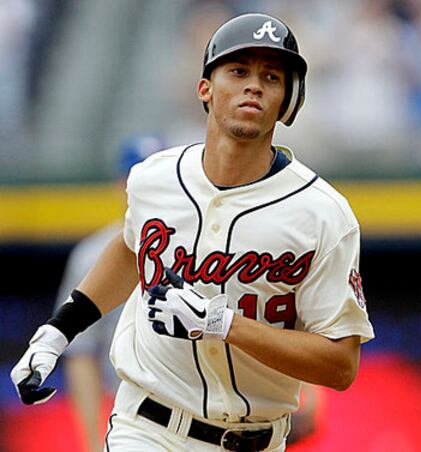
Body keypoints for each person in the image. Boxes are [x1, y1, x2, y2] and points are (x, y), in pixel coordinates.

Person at [11, 13, 374, 452]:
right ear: (205, 88)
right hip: (146, 427)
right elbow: (132, 249)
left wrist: (221, 324)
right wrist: (59, 330)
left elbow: (340, 365)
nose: (254, 85)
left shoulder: (322, 213)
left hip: (257, 438)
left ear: (287, 101)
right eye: (238, 71)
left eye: (271, 76)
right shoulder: (155, 179)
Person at [55, 136, 164, 452]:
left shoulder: (202, 252)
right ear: (121, 184)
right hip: (128, 412)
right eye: (137, 179)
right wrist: (91, 439)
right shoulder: (92, 256)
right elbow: (81, 354)